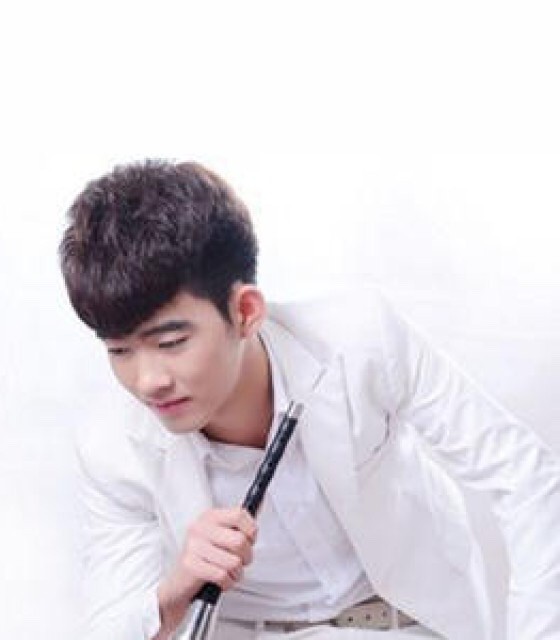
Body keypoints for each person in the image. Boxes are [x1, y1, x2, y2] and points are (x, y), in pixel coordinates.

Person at [59, 160, 560, 640]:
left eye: (171, 343)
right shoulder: (112, 447)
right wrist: (175, 590)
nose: (148, 381)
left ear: (245, 312)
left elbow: (524, 478)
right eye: (119, 350)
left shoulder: (359, 341)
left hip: (405, 625)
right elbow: (107, 628)